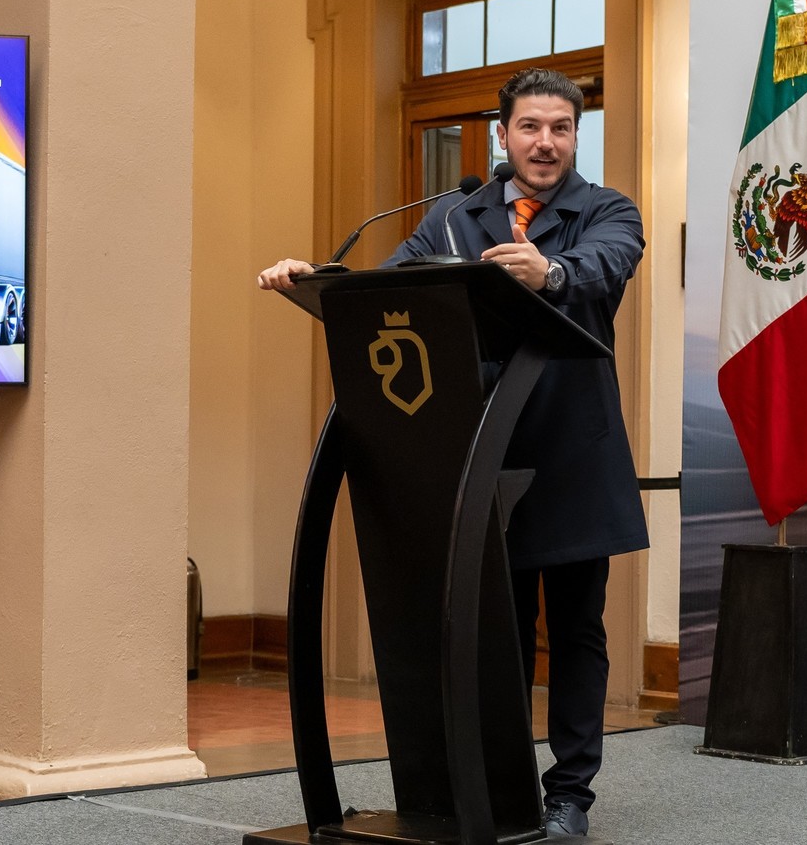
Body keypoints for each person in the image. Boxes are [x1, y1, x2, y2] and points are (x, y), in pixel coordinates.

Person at [258, 67, 648, 837]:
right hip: (474, 461)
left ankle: (570, 793)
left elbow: (607, 264)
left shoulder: (606, 209)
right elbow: (388, 288)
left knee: (574, 632)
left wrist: (553, 270)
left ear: (576, 136)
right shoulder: (454, 214)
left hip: (570, 457)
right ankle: (496, 785)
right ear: (503, 134)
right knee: (492, 633)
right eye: (530, 127)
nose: (545, 142)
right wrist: (321, 281)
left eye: (561, 128)